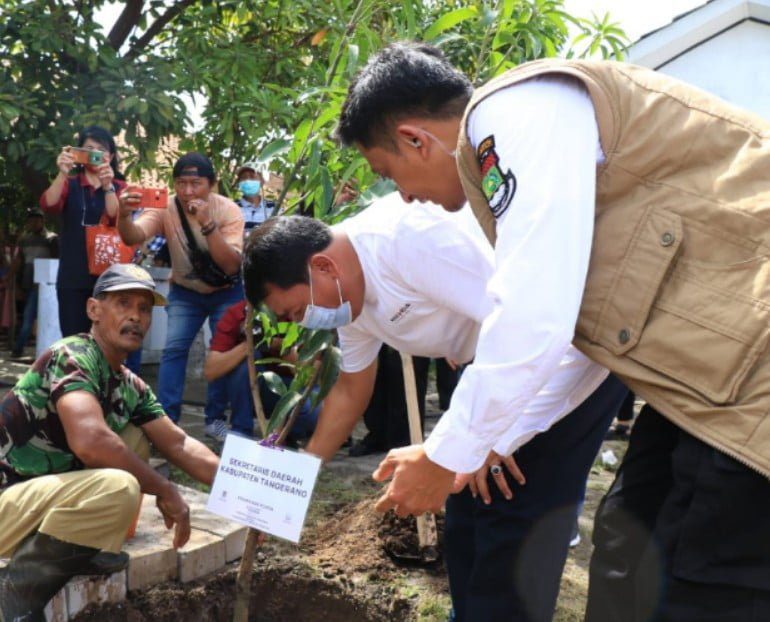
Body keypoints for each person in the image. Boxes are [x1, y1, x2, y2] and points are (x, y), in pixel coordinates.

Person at [336, 42, 770, 621]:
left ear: (417, 139)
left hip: (750, 373)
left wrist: (447, 457)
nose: (404, 196)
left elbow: (532, 314)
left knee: (702, 580)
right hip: (702, 379)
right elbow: (574, 344)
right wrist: (486, 442)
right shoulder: (516, 162)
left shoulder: (509, 115)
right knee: (625, 544)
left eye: (390, 174)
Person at [242, 196, 627, 621]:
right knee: (463, 515)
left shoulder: (407, 242)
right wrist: (289, 489)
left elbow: (535, 323)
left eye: (298, 310)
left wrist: (496, 438)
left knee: (511, 518)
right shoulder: (347, 299)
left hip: (564, 358)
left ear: (323, 267)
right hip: (497, 364)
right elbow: (351, 389)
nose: (303, 322)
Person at [0, 263, 220, 621]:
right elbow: (90, 442)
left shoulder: (129, 384)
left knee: (135, 439)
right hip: (6, 501)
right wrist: (166, 489)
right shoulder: (73, 355)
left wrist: (255, 498)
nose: (135, 316)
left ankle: (85, 546)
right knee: (118, 486)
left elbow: (180, 445)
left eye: (144, 308)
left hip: (34, 499)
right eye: (123, 303)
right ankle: (15, 593)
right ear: (94, 310)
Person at [117, 152, 245, 441]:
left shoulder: (228, 211)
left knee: (221, 353)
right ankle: (167, 420)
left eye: (196, 183)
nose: (188, 191)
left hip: (227, 291)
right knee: (173, 350)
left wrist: (207, 224)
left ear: (211, 184)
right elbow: (133, 236)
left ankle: (214, 419)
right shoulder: (166, 207)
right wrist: (123, 215)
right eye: (181, 183)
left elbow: (231, 264)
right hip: (186, 292)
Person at [40, 125, 125, 337]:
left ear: (111, 155)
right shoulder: (70, 184)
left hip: (110, 278)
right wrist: (62, 172)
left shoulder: (120, 186)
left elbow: (118, 219)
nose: (95, 154)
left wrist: (108, 186)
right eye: (89, 148)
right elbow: (48, 205)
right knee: (74, 341)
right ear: (79, 153)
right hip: (73, 276)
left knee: (108, 341)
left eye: (101, 149)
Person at [203, 299, 319, 442]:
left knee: (314, 413)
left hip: (293, 389)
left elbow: (310, 378)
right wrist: (250, 344)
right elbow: (211, 371)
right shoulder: (239, 313)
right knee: (246, 361)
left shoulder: (303, 314)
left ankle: (288, 434)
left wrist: (285, 348)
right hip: (254, 389)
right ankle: (241, 432)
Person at [10, 207, 59, 358]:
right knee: (27, 317)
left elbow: (56, 261)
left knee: (29, 317)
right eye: (31, 220)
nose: (34, 222)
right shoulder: (24, 239)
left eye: (37, 219)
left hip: (45, 285)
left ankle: (19, 348)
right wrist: (16, 283)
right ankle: (21, 348)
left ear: (43, 221)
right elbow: (20, 261)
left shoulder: (52, 238)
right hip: (27, 283)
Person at [235, 161, 274, 231]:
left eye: (252, 176)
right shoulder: (232, 208)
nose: (247, 180)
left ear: (262, 181)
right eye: (243, 177)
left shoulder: (273, 207)